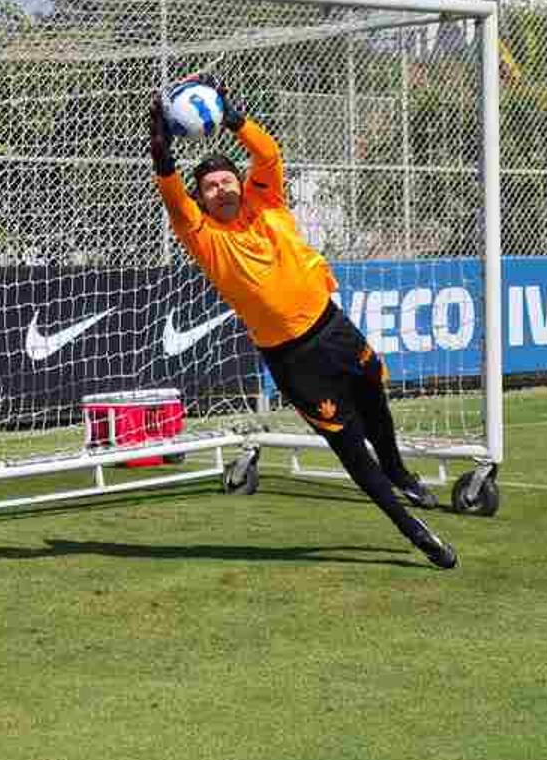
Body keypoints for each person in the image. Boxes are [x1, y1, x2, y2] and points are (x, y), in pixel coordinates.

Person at [147, 74, 458, 569]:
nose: (221, 189)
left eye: (227, 180)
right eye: (210, 187)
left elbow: (267, 155)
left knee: (375, 393)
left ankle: (398, 469)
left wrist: (232, 118)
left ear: (240, 185)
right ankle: (411, 528)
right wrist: (161, 150)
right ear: (201, 200)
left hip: (332, 327)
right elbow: (170, 193)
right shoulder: (201, 234)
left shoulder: (266, 201)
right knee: (349, 446)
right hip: (293, 360)